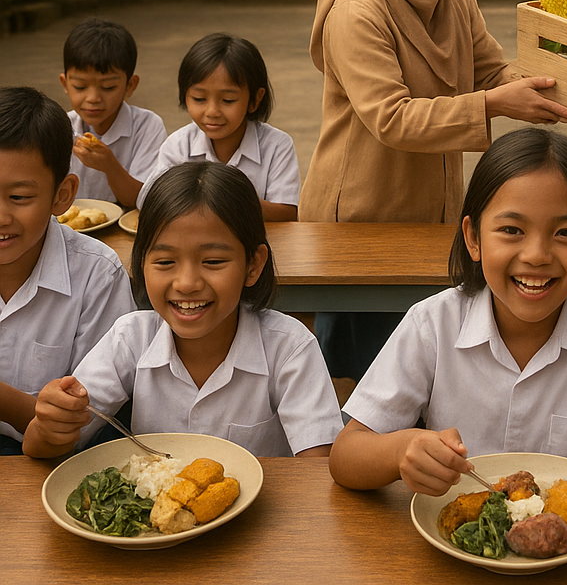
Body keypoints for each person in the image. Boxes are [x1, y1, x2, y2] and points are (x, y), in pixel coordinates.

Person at [301, 0, 567, 381]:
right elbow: (392, 117)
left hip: (433, 216)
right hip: (362, 225)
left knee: (422, 367)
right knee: (363, 376)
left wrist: (564, 87)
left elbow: (493, 70)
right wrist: (495, 104)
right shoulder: (356, 11)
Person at [329, 128, 567, 495]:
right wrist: (401, 451)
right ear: (473, 238)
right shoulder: (434, 324)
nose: (536, 255)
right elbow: (345, 456)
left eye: (565, 233)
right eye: (512, 230)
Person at [22, 163, 342, 459]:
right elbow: (44, 447)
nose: (187, 283)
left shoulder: (289, 348)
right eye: (165, 262)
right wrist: (52, 422)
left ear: (253, 265)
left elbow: (316, 470)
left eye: (213, 262)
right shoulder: (131, 338)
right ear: (141, 264)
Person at [0, 87, 134, 454]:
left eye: (19, 198)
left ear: (63, 195)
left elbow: (81, 424)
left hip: (56, 463)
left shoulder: (98, 276)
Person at [137, 33, 299, 221]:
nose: (212, 111)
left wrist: (230, 199)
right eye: (199, 99)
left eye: (228, 100)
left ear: (255, 99)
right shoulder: (179, 145)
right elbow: (149, 201)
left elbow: (287, 214)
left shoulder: (277, 145)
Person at [60, 16, 166, 209]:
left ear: (130, 86)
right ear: (65, 84)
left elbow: (142, 201)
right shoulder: (61, 127)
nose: (93, 98)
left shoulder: (147, 125)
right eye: (80, 86)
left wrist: (110, 166)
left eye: (108, 87)